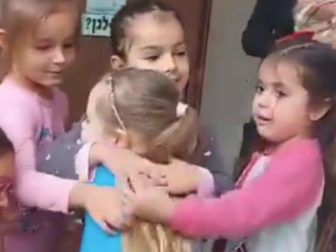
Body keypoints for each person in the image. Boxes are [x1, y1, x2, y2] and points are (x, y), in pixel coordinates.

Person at [124, 39, 336, 252]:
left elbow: (240, 213)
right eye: (261, 89)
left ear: (318, 108)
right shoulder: (278, 151)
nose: (263, 100)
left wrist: (168, 211)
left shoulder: (299, 163)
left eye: (280, 93)